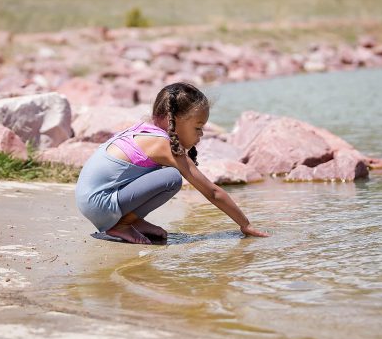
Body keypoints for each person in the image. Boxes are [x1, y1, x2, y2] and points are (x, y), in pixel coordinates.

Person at [75, 82, 270, 244]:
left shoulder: (146, 129)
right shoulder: (161, 145)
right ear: (173, 120)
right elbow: (212, 192)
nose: (201, 134)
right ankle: (122, 224)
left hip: (90, 200)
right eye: (198, 127)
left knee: (166, 174)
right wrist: (245, 224)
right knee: (171, 178)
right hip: (99, 203)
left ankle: (131, 221)